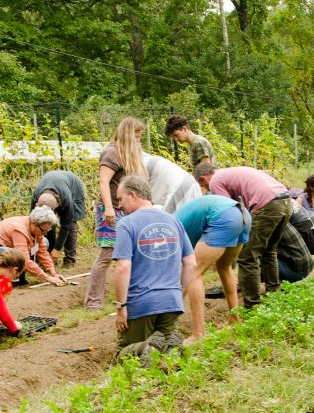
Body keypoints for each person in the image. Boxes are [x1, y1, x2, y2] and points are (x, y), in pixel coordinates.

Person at [112, 176, 196, 363]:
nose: (119, 206)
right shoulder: (173, 221)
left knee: (123, 357)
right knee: (163, 356)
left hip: (141, 303)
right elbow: (191, 263)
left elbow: (123, 266)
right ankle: (170, 357)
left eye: (120, 199)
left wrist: (121, 307)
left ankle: (144, 346)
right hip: (171, 300)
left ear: (132, 195)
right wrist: (178, 294)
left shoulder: (127, 224)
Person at [205, 166, 293, 309]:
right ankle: (274, 291)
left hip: (267, 204)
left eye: (204, 186)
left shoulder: (215, 181)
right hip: (285, 200)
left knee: (247, 257)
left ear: (203, 179)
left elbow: (227, 210)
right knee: (269, 250)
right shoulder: (231, 172)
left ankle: (252, 304)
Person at [84, 117, 147, 310]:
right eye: (136, 136)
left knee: (132, 251)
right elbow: (103, 182)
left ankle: (133, 292)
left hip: (125, 210)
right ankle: (93, 302)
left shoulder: (126, 153)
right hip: (110, 210)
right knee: (107, 254)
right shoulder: (111, 153)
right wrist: (109, 208)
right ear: (127, 134)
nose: (138, 140)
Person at [175, 195, 251, 343]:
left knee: (193, 272)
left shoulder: (170, 232)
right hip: (242, 214)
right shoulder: (176, 221)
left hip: (224, 216)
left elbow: (181, 277)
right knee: (224, 267)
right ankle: (234, 320)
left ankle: (198, 335)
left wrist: (169, 311)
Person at [0, 206, 66, 286]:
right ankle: (6, 278)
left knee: (45, 242)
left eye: (47, 230)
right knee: (13, 254)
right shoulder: (19, 229)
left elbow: (42, 251)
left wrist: (54, 273)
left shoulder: (37, 228)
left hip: (10, 250)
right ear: (34, 223)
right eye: (44, 230)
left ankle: (20, 273)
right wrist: (47, 278)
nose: (45, 233)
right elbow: (24, 259)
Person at [30, 171, 86, 268]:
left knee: (71, 224)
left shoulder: (66, 200)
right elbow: (32, 224)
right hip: (53, 181)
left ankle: (70, 259)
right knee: (46, 225)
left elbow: (66, 226)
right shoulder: (36, 197)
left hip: (72, 186)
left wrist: (57, 249)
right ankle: (49, 257)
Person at [276, 201, 314, 283]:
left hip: (296, 271)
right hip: (306, 266)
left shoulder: (270, 223)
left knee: (265, 255)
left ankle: (276, 283)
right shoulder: (281, 218)